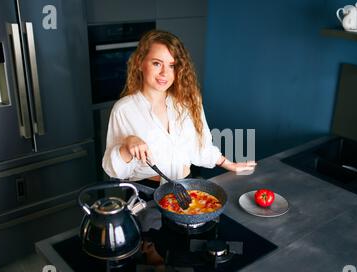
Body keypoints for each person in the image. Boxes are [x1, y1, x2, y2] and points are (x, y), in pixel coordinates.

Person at [102, 30, 256, 193]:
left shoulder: (188, 100)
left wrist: (229, 164)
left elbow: (201, 147)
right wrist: (128, 144)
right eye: (156, 63)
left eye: (172, 65)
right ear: (140, 62)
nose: (164, 73)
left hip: (187, 186)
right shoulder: (124, 110)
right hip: (147, 193)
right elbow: (114, 170)